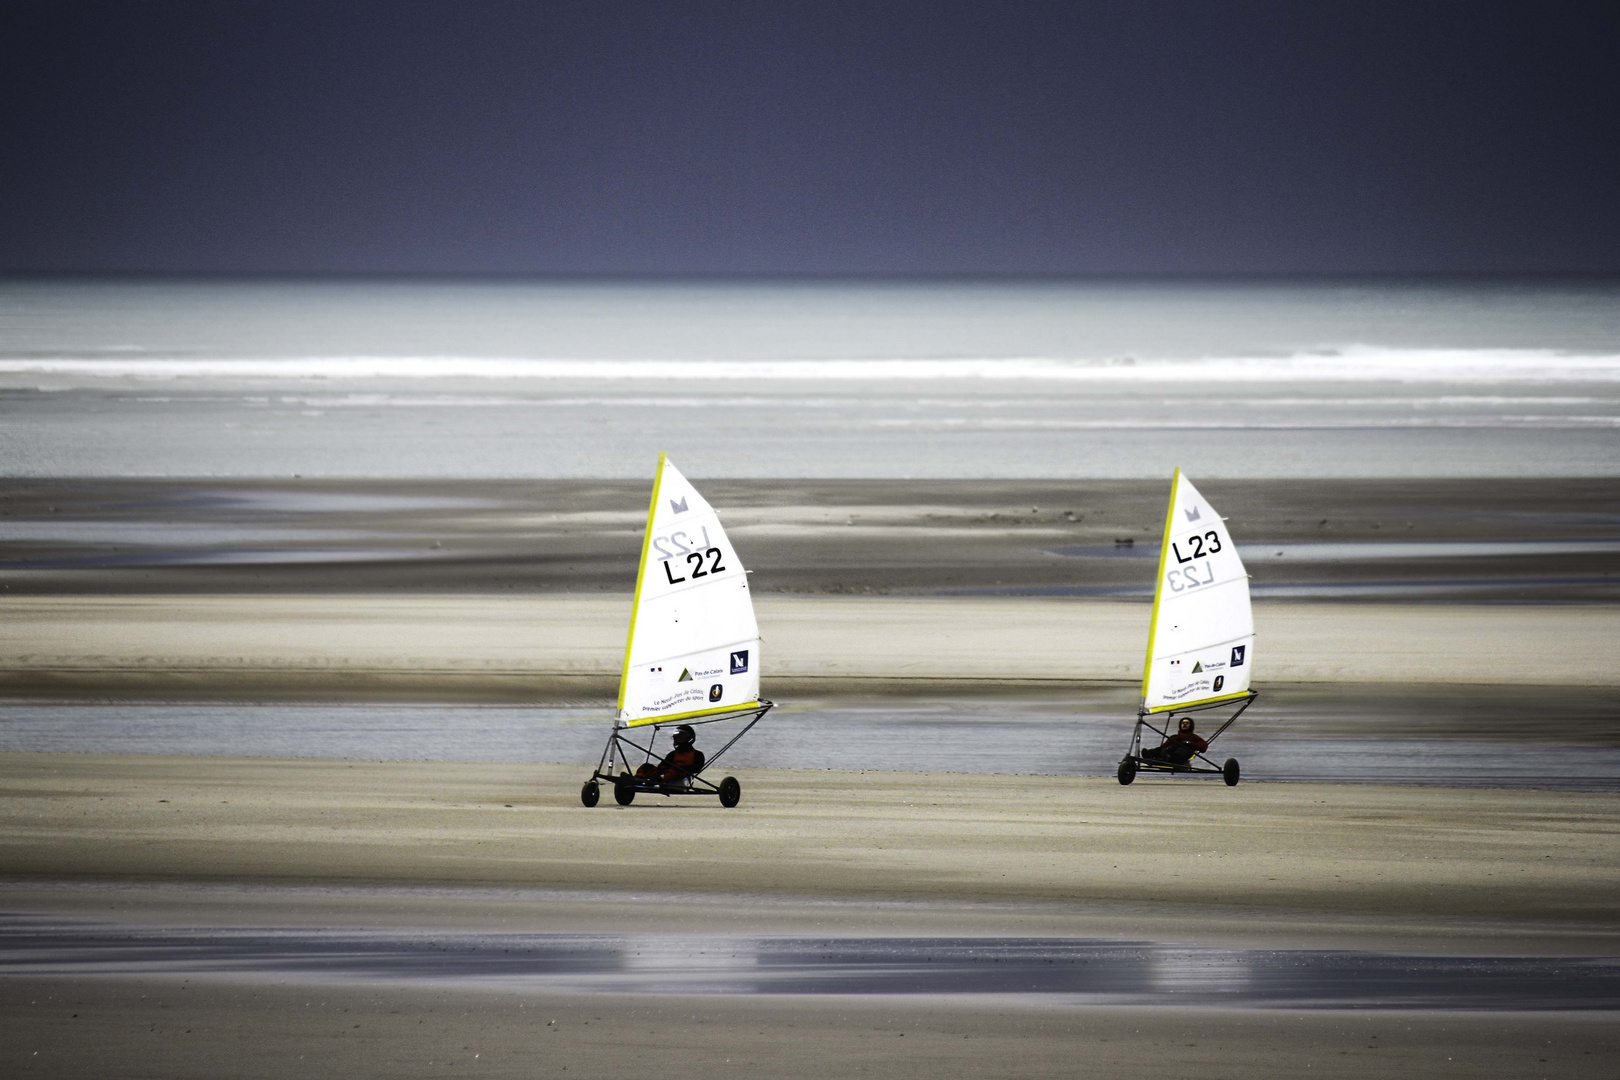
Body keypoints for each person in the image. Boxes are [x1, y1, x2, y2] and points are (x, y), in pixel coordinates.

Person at [635, 725, 706, 784]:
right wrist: (661, 769)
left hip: (682, 778)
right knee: (646, 766)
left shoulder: (697, 754)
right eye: (676, 738)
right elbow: (663, 765)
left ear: (688, 739)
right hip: (668, 775)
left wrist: (681, 768)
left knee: (676, 770)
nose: (677, 741)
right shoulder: (673, 754)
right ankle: (638, 778)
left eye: (679, 738)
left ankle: (658, 779)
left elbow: (696, 768)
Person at [1141, 716, 1208, 765]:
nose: (1184, 724)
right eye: (1183, 723)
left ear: (1190, 726)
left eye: (1187, 723)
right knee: (1164, 749)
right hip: (1170, 753)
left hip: (1182, 756)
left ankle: (1166, 758)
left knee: (1181, 751)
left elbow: (1204, 747)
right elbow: (1162, 747)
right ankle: (1150, 756)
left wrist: (1189, 743)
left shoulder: (1194, 737)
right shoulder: (1175, 737)